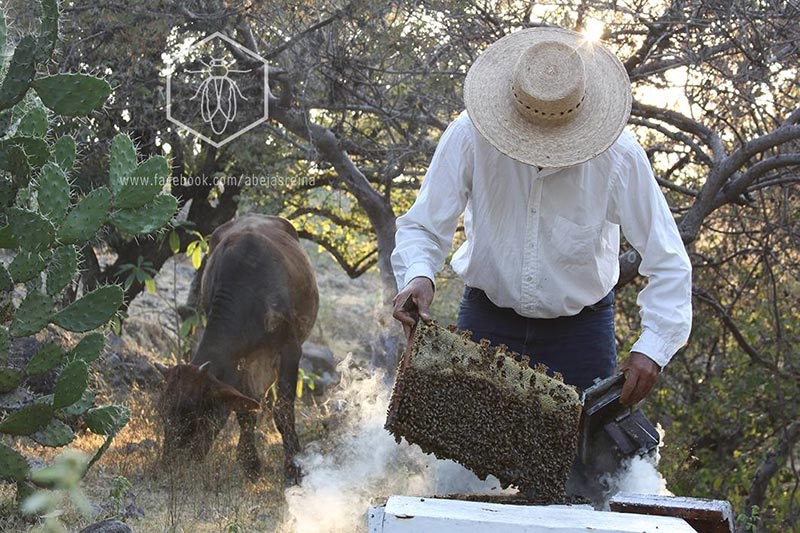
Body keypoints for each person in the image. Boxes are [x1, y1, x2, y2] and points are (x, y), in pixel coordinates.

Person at [391, 26, 692, 405]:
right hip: (486, 322)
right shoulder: (469, 135)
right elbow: (423, 225)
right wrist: (419, 274)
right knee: (465, 460)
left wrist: (653, 346)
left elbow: (668, 260)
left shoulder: (621, 157)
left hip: (581, 335)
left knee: (586, 462)